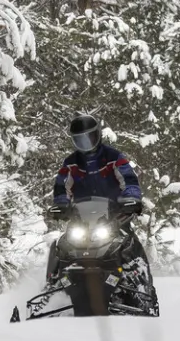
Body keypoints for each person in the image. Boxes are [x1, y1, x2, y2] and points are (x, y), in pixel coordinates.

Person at [48, 113, 146, 284]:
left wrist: (131, 198)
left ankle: (142, 285)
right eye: (80, 140)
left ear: (98, 135)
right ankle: (53, 285)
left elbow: (128, 178)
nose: (85, 144)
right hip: (81, 219)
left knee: (130, 243)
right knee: (61, 246)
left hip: (114, 215)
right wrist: (61, 204)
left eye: (89, 138)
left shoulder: (113, 158)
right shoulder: (71, 163)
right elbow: (61, 185)